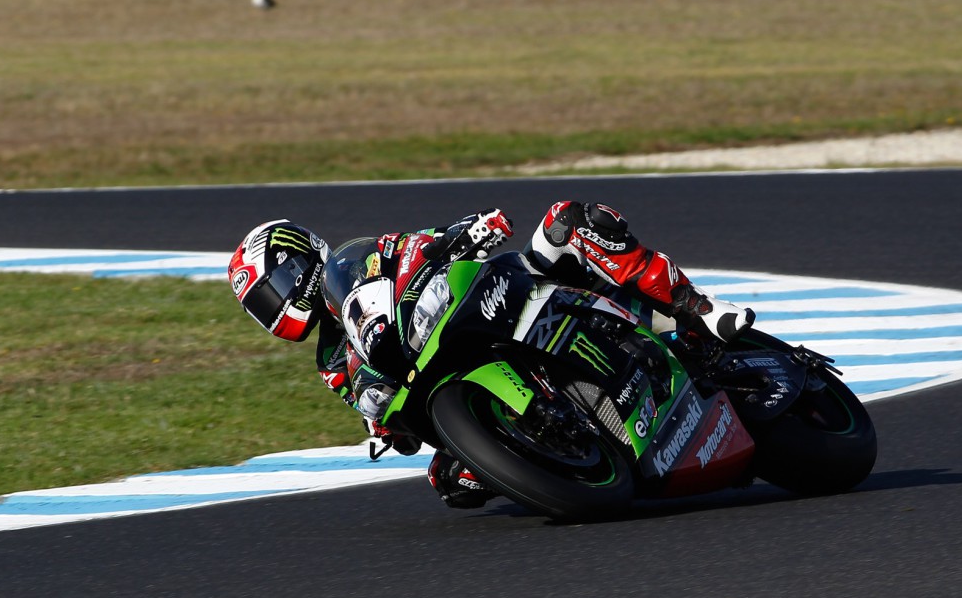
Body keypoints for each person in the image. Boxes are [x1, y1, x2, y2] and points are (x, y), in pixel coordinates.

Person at [228, 201, 755, 509]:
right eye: (260, 306)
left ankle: (697, 309)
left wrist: (464, 233)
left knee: (567, 224)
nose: (273, 309)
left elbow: (421, 245)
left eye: (271, 290)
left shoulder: (359, 258)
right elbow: (371, 406)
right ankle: (566, 443)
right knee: (450, 483)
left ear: (295, 263)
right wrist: (385, 426)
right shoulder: (328, 360)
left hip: (489, 299)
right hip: (434, 373)